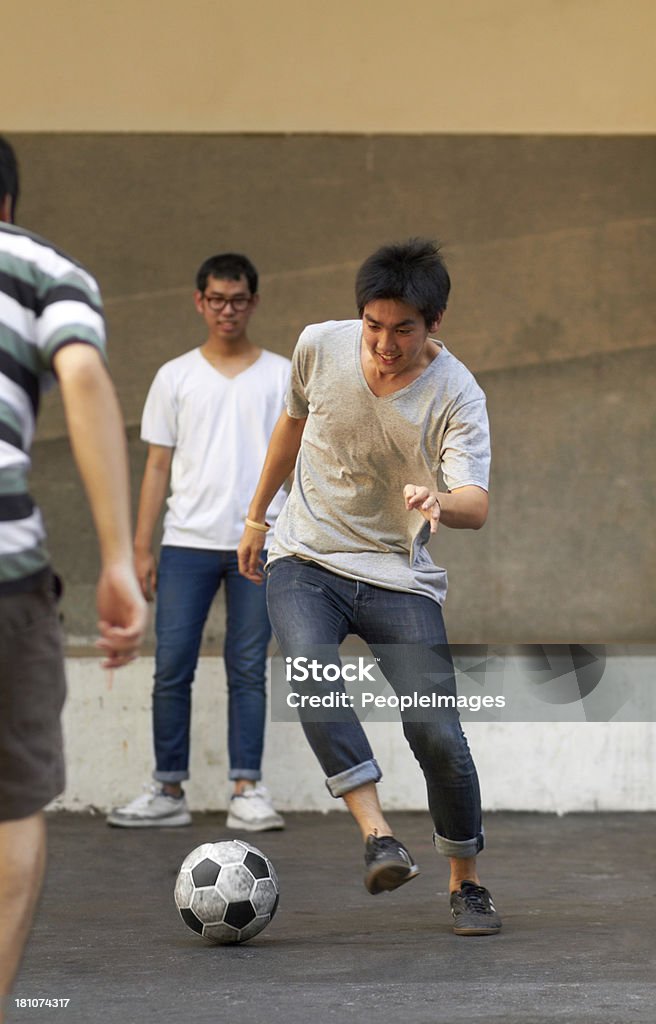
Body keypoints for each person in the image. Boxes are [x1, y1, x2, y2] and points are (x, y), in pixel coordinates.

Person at [238, 238, 501, 935]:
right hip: (307, 556)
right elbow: (288, 430)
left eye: (403, 330)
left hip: (396, 576)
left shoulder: (456, 394)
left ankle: (465, 882)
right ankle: (378, 837)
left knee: (436, 733)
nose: (384, 344)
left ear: (434, 323)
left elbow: (475, 500)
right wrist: (255, 518)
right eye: (373, 326)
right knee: (311, 675)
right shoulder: (318, 347)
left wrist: (441, 503)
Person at [0, 136, 147, 1019]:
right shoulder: (38, 268)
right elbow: (84, 371)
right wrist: (120, 561)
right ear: (8, 204)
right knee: (11, 805)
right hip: (3, 576)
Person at [107, 253, 290, 831]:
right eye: (216, 299)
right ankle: (167, 788)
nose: (227, 310)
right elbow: (156, 467)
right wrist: (140, 549)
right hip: (185, 542)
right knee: (171, 667)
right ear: (199, 302)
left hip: (259, 542)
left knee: (248, 666)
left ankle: (247, 789)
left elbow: (299, 464)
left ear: (254, 302)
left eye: (238, 300)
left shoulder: (283, 375)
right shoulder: (175, 376)